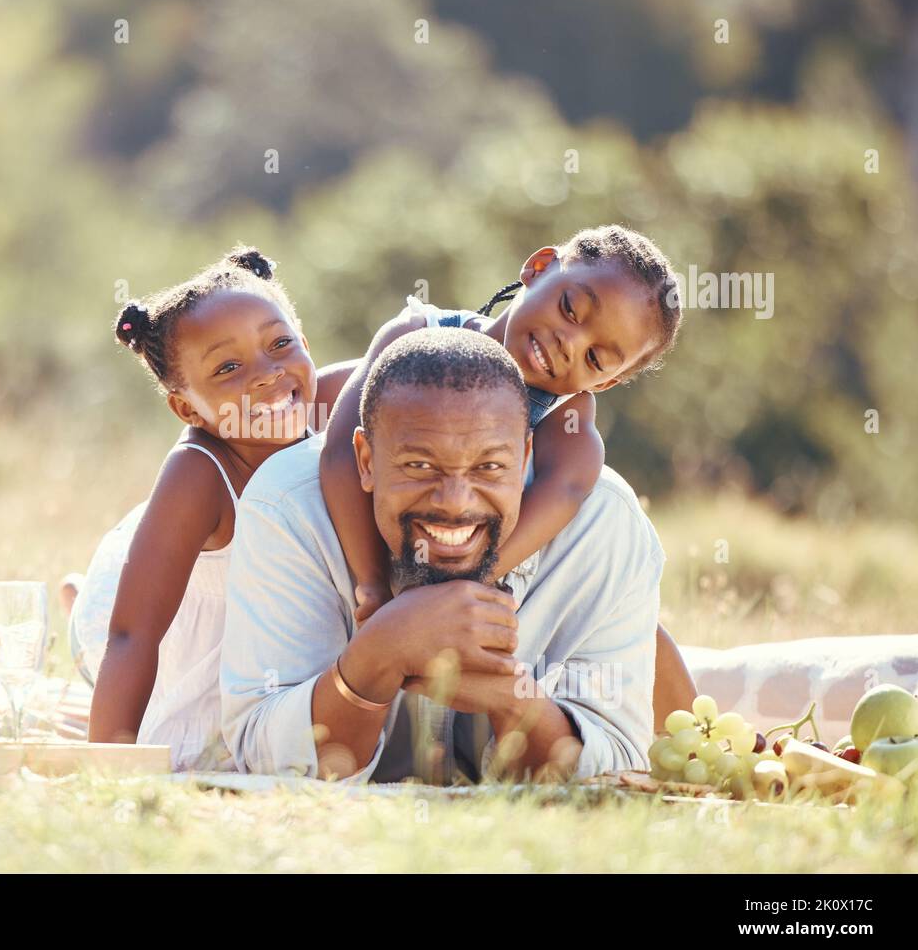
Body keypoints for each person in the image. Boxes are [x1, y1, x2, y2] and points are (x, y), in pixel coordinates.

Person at [222, 328, 665, 783]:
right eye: (419, 466)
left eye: (489, 466)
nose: (455, 502)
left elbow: (616, 767)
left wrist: (511, 697)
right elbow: (263, 757)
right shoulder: (287, 506)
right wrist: (377, 656)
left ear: (524, 454)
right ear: (367, 460)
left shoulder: (605, 525)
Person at [319, 225, 697, 726]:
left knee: (632, 619)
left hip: (470, 568)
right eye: (570, 310)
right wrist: (370, 583)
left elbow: (565, 491)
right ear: (538, 268)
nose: (569, 343)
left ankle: (708, 738)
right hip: (374, 543)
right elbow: (340, 455)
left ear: (606, 381)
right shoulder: (416, 336)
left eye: (594, 357)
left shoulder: (568, 422)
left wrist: (466, 585)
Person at [71, 246, 354, 770]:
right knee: (101, 643)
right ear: (186, 408)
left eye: (280, 344)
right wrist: (107, 769)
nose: (268, 374)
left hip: (261, 621)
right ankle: (74, 605)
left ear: (306, 344)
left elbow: (422, 358)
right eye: (227, 367)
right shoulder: (198, 474)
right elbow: (133, 633)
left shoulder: (337, 400)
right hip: (151, 613)